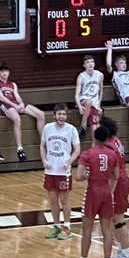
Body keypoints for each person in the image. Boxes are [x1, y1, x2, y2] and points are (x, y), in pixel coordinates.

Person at [70, 126, 118, 258]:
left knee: (87, 230)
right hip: (106, 191)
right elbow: (116, 176)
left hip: (93, 191)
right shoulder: (112, 154)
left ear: (94, 137)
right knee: (107, 231)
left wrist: (86, 177)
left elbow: (77, 177)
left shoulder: (87, 154)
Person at [40, 103, 81, 241]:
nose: (61, 117)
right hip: (50, 170)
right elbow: (42, 146)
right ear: (54, 115)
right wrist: (44, 160)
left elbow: (77, 149)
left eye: (64, 114)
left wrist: (69, 162)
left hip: (64, 172)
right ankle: (56, 225)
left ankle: (67, 226)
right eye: (59, 114)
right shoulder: (47, 128)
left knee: (64, 199)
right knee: (52, 199)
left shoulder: (71, 130)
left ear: (66, 116)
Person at [98, 115, 129, 258]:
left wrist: (109, 192)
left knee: (119, 220)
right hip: (123, 180)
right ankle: (122, 251)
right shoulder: (116, 140)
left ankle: (127, 254)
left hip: (118, 183)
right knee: (116, 219)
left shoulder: (109, 146)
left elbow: (114, 174)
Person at [0, 62, 45, 162]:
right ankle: (20, 149)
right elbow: (1, 98)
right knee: (17, 119)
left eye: (6, 71)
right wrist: (15, 106)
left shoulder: (13, 84)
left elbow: (17, 97)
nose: (5, 73)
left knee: (41, 114)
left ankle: (44, 143)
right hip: (4, 106)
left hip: (15, 104)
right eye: (2, 71)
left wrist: (21, 104)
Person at [74, 54, 104, 138]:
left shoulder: (100, 75)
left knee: (96, 128)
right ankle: (83, 126)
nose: (90, 64)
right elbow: (77, 94)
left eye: (92, 62)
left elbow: (101, 91)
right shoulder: (81, 76)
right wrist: (79, 106)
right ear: (84, 65)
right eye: (87, 62)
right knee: (88, 102)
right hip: (83, 100)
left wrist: (99, 105)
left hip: (94, 103)